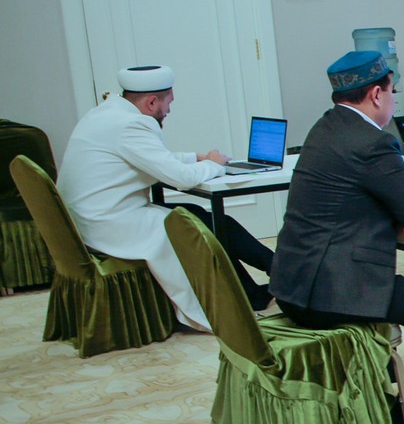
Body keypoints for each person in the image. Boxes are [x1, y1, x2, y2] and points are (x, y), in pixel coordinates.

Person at [270, 50, 404, 424]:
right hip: (332, 290)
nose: (392, 99)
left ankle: (387, 395)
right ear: (376, 94)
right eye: (392, 92)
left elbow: (350, 196)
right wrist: (398, 215)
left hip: (292, 284)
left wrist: (390, 215)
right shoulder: (372, 143)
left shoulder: (325, 128)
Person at [57, 64, 275, 329]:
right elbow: (181, 179)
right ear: (151, 102)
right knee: (201, 226)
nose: (169, 110)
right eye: (168, 103)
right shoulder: (132, 125)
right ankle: (272, 276)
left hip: (94, 217)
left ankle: (260, 282)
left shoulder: (107, 114)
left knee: (200, 215)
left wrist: (196, 157)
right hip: (110, 224)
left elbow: (152, 157)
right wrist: (214, 164)